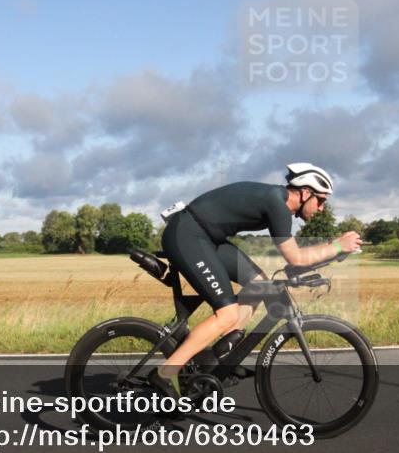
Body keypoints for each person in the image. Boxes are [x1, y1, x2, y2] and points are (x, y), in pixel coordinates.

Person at [148, 163, 362, 399]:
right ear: (304, 193)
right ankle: (165, 373)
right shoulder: (277, 204)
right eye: (320, 200)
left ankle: (221, 359)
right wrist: (338, 246)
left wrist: (334, 253)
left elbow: (295, 259)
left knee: (260, 284)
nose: (322, 208)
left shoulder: (278, 202)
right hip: (188, 235)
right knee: (227, 313)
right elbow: (296, 257)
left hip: (207, 237)